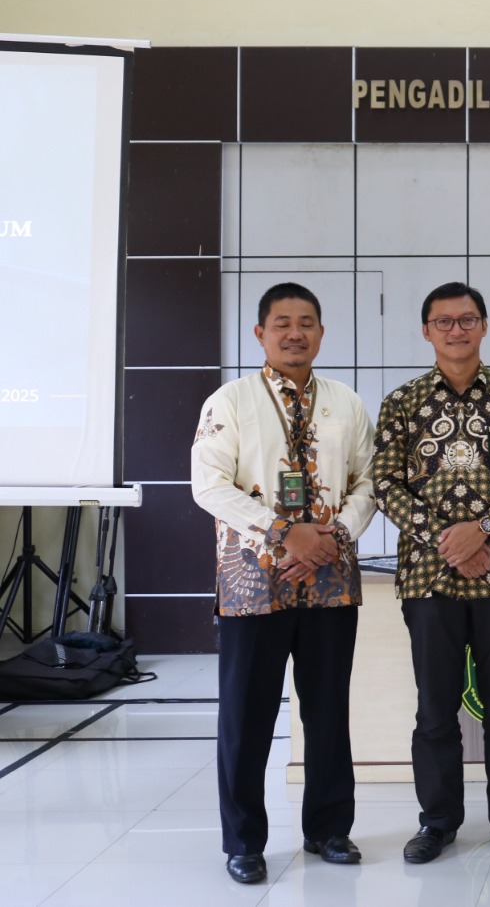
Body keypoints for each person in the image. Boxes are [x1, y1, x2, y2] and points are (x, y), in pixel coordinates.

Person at [191, 282, 377, 885]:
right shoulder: (230, 401)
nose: (295, 333)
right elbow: (208, 486)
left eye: (306, 323)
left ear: (321, 332)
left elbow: (369, 482)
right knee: (246, 716)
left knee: (327, 712)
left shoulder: (346, 402)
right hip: (253, 581)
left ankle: (329, 829)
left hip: (331, 580)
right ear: (260, 333)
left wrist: (333, 537)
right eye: (282, 323)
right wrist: (282, 533)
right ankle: (243, 842)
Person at [372, 282, 490, 864]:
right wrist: (448, 541)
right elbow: (385, 483)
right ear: (426, 331)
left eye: (467, 319)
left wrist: (484, 529)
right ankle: (438, 822)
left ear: (484, 326)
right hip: (430, 577)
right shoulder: (402, 402)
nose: (456, 330)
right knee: (435, 709)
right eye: (444, 321)